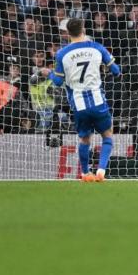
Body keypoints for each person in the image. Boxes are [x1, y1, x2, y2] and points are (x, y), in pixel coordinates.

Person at [40, 18, 122, 182]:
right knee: (107, 135)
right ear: (83, 29)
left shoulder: (62, 54)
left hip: (78, 105)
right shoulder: (97, 47)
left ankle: (85, 173)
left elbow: (57, 82)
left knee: (85, 139)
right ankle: (100, 171)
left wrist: (47, 73)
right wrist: (105, 68)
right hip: (98, 102)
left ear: (67, 33)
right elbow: (116, 71)